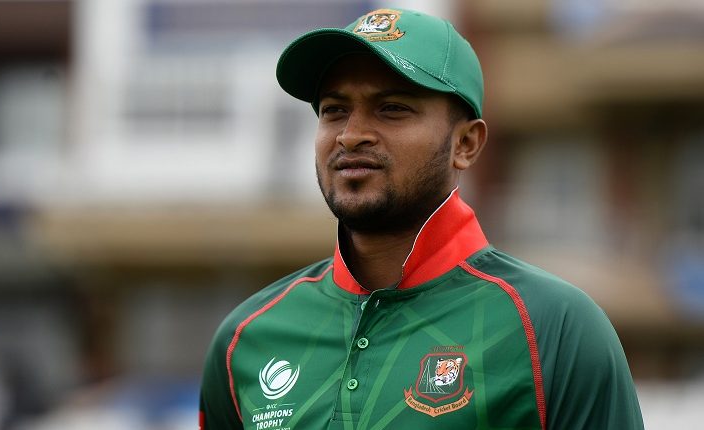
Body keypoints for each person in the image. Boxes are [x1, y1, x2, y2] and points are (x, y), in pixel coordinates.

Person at [200, 8, 644, 430]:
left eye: (392, 108)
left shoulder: (554, 326)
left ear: (466, 144)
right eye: (334, 110)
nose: (351, 135)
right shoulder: (246, 338)